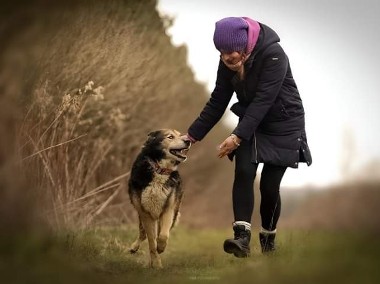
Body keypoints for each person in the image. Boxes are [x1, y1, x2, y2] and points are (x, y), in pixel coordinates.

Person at [183, 17, 312, 257]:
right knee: (243, 171)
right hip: (252, 122)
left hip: (284, 123)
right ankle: (241, 239)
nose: (226, 58)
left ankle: (268, 239)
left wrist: (237, 136)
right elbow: (218, 101)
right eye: (221, 53)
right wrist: (191, 135)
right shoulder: (227, 61)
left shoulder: (274, 55)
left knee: (269, 186)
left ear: (245, 47)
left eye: (230, 52)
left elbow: (264, 100)